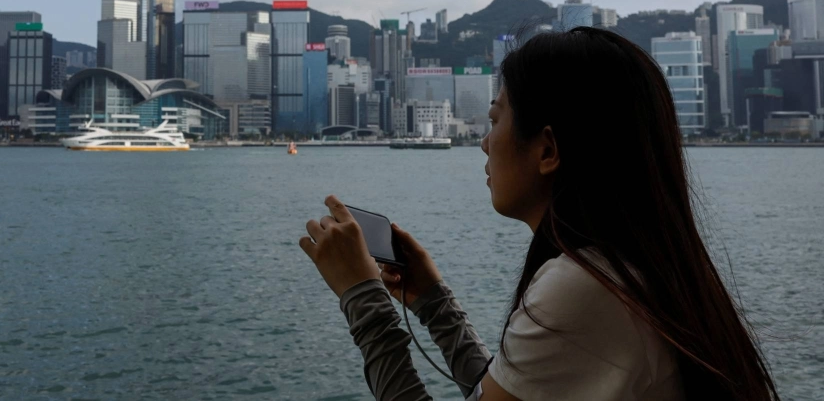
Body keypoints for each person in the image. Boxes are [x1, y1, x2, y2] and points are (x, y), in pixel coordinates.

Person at [300, 27, 780, 400]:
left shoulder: (586, 285)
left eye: (494, 120)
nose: (484, 143)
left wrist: (361, 296)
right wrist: (432, 301)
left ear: (548, 148)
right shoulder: (629, 268)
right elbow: (515, 393)